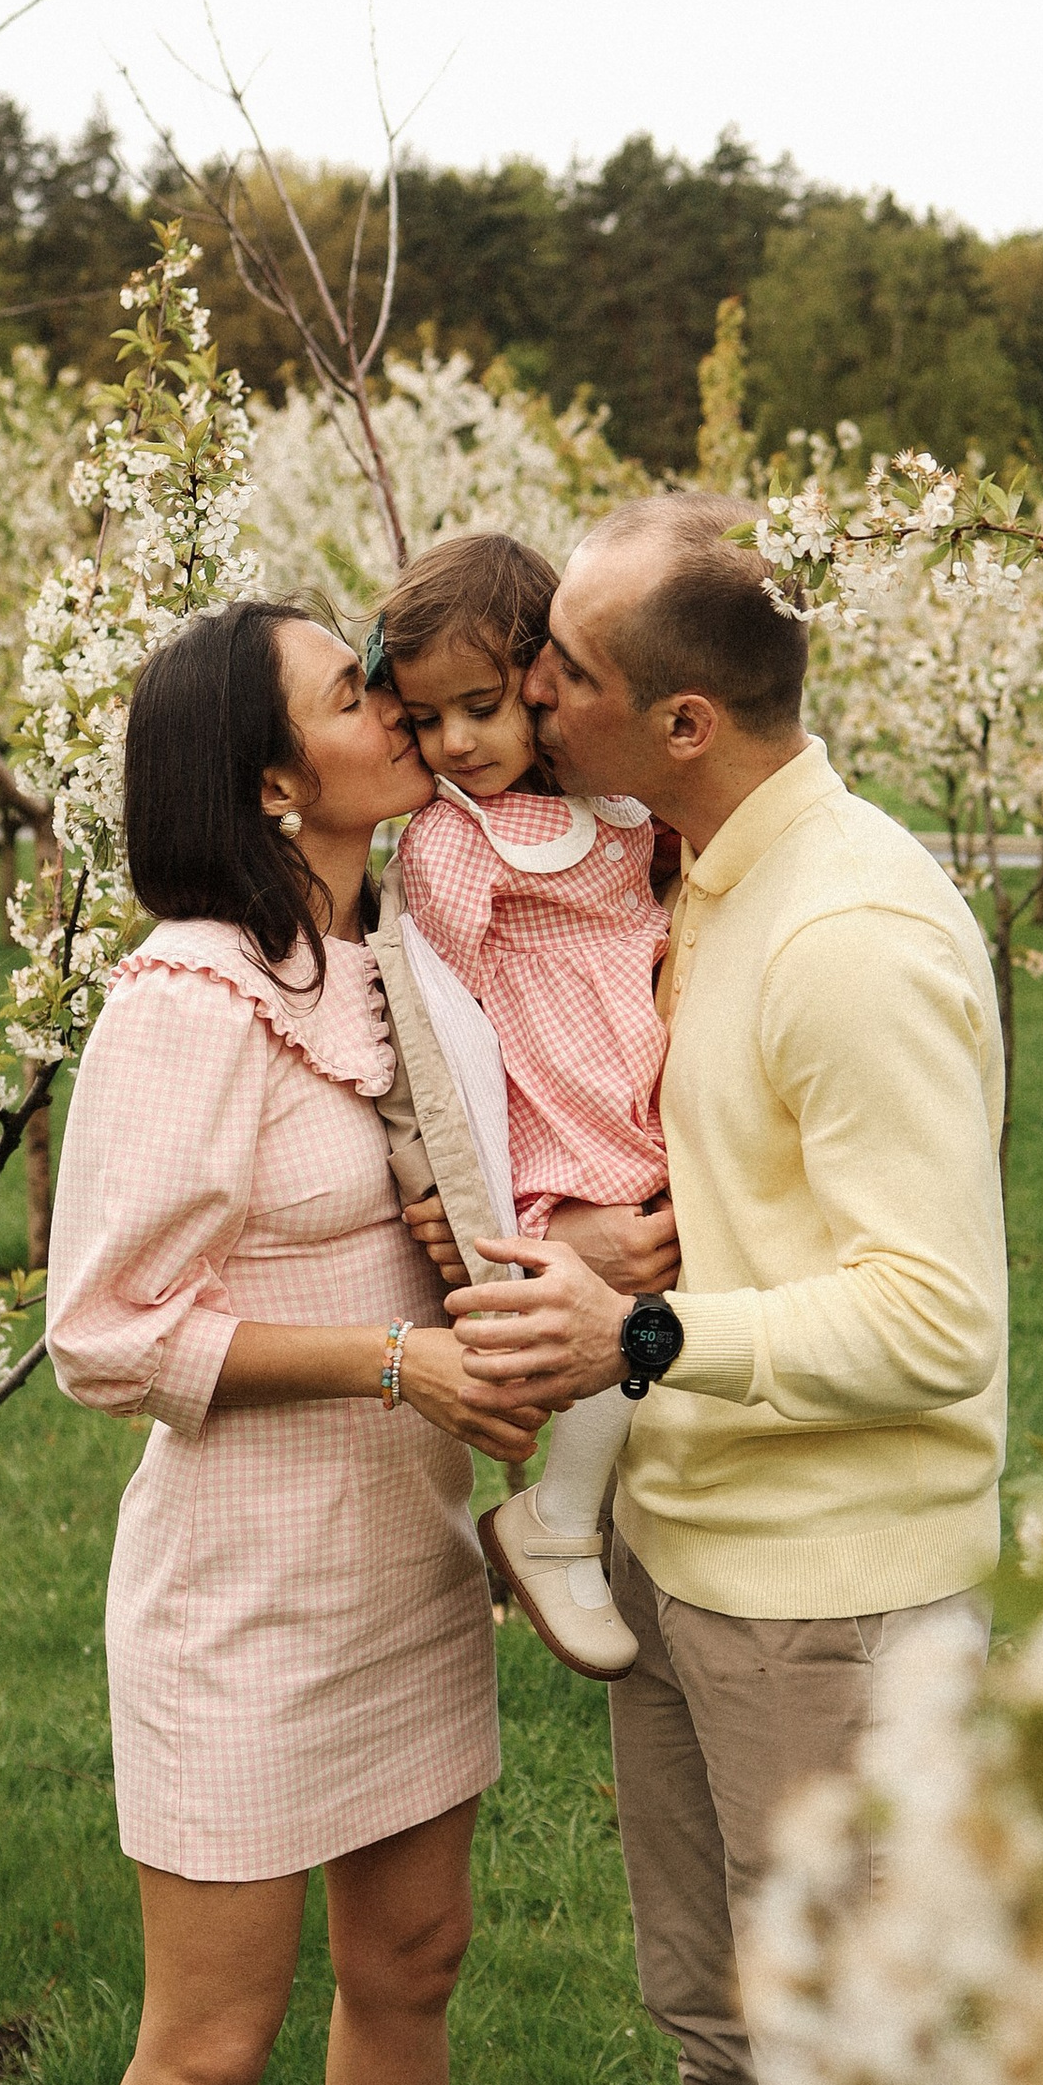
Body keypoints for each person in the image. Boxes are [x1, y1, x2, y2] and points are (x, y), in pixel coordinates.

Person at [447, 490, 1009, 2085]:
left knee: (860, 2084)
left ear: (677, 719)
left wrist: (645, 1334)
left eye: (565, 673)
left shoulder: (850, 936)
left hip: (833, 1602)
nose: (528, 689)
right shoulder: (695, 877)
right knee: (718, 2040)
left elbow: (933, 1320)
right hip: (690, 1565)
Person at [45, 598, 559, 2085]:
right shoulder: (184, 1007)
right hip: (243, 1605)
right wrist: (388, 1357)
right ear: (271, 781)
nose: (402, 713)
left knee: (411, 1968)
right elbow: (99, 1336)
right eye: (354, 697)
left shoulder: (369, 963)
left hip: (403, 1566)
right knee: (207, 2050)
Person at [370, 527, 674, 1682]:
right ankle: (558, 1516)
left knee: (665, 1288)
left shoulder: (615, 799)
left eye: (482, 706)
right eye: (427, 718)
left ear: (541, 677)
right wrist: (455, 1190)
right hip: (566, 1113)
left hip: (643, 1080)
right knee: (630, 1294)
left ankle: (579, 1513)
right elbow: (432, 1021)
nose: (456, 742)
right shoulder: (455, 843)